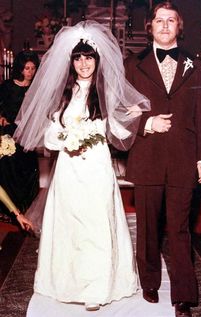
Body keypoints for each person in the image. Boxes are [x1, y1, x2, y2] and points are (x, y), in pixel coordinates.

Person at [14, 21, 150, 311]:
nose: (84, 63)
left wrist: (136, 119)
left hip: (97, 165)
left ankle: (96, 286)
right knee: (70, 220)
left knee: (96, 220)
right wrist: (67, 137)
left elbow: (119, 130)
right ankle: (68, 281)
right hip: (69, 168)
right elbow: (50, 138)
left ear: (97, 60)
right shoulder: (63, 94)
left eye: (89, 57)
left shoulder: (105, 92)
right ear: (71, 61)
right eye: (78, 57)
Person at [124, 2, 201, 317]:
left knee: (180, 228)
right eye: (159, 20)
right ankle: (148, 281)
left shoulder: (196, 66)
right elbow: (120, 112)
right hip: (146, 155)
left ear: (179, 26)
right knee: (147, 227)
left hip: (183, 158)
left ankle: (184, 296)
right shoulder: (132, 64)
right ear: (150, 27)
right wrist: (145, 124)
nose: (164, 25)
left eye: (170, 20)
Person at [0, 50, 40, 218]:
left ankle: (27, 208)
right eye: (26, 68)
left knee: (29, 170)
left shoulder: (37, 88)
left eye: (33, 68)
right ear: (20, 68)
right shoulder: (8, 86)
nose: (30, 72)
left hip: (27, 134)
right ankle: (11, 210)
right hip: (9, 134)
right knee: (11, 172)